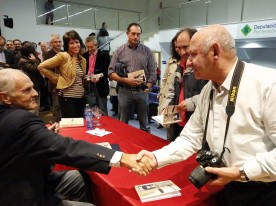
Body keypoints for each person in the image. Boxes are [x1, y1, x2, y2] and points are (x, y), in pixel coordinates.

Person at [136, 24, 276, 205]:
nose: (187, 62)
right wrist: (155, 158)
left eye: (193, 54)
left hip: (262, 191)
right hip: (225, 186)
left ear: (215, 52)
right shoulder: (208, 90)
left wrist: (241, 172)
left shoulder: (267, 86)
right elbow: (190, 138)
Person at [0, 69, 152, 206]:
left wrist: (43, 137)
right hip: (22, 197)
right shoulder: (21, 119)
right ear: (5, 97)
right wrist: (121, 157)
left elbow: (19, 146)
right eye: (26, 90)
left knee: (78, 177)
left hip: (17, 183)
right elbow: (66, 148)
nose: (35, 93)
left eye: (32, 87)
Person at [108, 23, 157, 132]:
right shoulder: (119, 51)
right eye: (133, 34)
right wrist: (126, 80)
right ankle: (124, 147)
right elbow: (110, 72)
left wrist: (147, 88)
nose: (136, 37)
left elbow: (153, 73)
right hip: (124, 92)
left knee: (145, 126)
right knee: (123, 125)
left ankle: (145, 146)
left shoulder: (147, 51)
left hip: (142, 92)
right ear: (127, 34)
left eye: (138, 34)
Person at [164, 28, 207, 141]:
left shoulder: (206, 69)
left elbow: (213, 96)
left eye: (185, 47)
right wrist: (168, 111)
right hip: (177, 123)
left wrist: (191, 102)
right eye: (178, 48)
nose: (182, 52)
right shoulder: (180, 67)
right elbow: (173, 93)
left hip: (195, 127)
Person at [38, 30, 87, 118]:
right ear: (67, 45)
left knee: (80, 125)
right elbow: (41, 67)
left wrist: (90, 79)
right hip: (67, 98)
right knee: (71, 127)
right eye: (71, 43)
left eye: (77, 42)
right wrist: (57, 79)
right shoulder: (63, 56)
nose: (75, 45)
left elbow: (79, 78)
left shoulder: (82, 60)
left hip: (81, 97)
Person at [83, 36, 110, 115]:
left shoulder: (104, 55)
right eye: (88, 47)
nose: (90, 49)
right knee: (90, 109)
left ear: (96, 45)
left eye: (91, 47)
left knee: (102, 109)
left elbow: (107, 71)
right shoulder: (84, 56)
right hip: (88, 85)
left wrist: (99, 76)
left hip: (100, 85)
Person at [18, 43, 44, 115]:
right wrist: (34, 60)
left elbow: (40, 65)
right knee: (32, 107)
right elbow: (34, 68)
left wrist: (35, 60)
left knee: (37, 105)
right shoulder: (23, 61)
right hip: (30, 85)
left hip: (36, 84)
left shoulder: (32, 58)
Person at [43, 34, 63, 122]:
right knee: (56, 106)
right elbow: (45, 70)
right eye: (55, 42)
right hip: (54, 84)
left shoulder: (64, 53)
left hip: (66, 84)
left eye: (59, 41)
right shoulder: (48, 54)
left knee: (65, 106)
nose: (58, 44)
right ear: (51, 43)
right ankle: (56, 125)